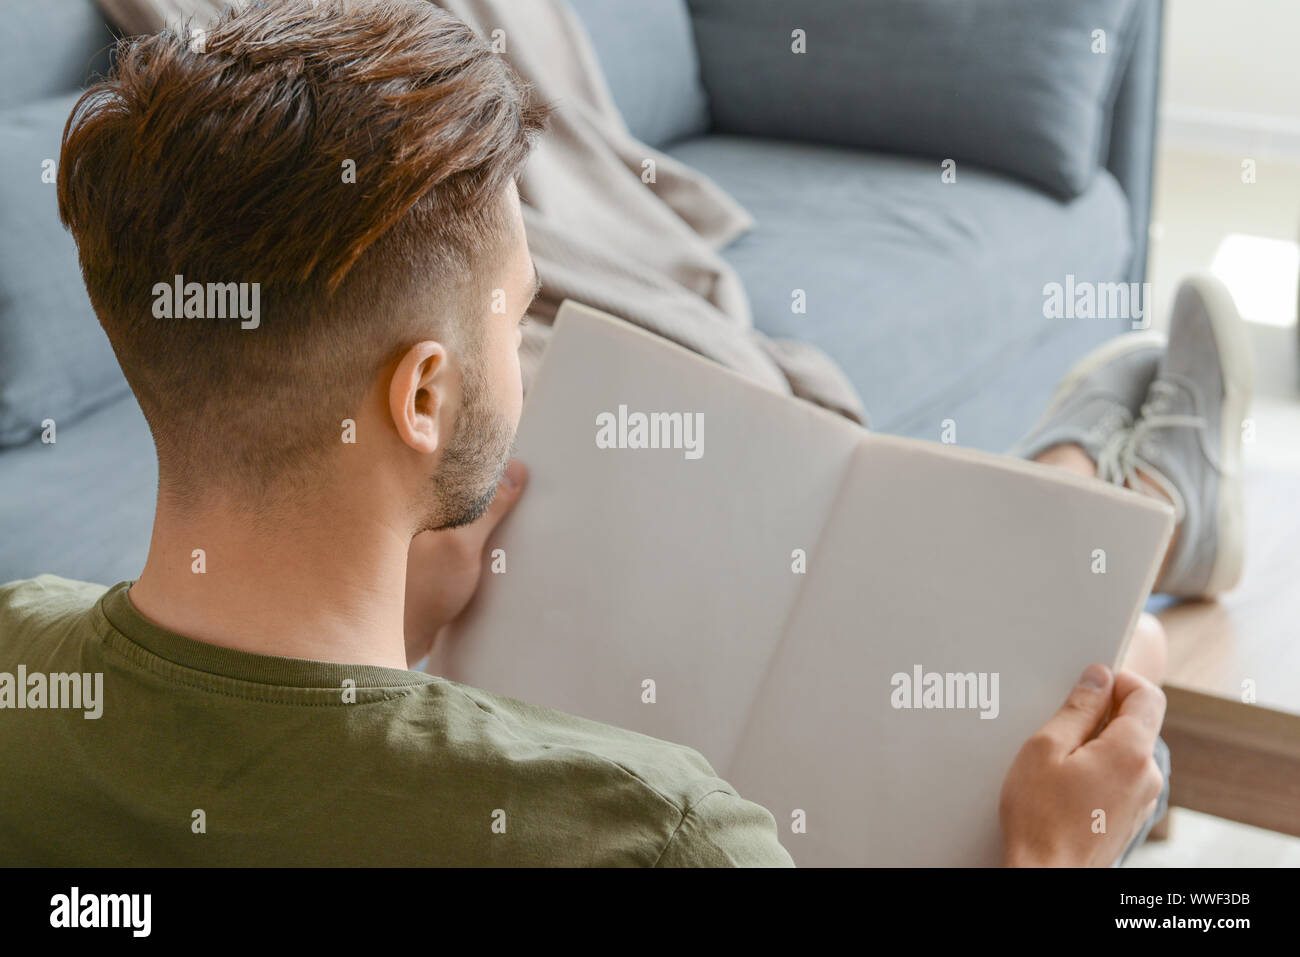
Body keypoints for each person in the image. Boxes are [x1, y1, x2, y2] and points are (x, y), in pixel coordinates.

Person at [0, 0, 1251, 867]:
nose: (529, 348)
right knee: (1093, 671)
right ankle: (1121, 481)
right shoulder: (654, 832)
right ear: (422, 399)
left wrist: (395, 624)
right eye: (521, 310)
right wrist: (1048, 860)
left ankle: (1115, 474)